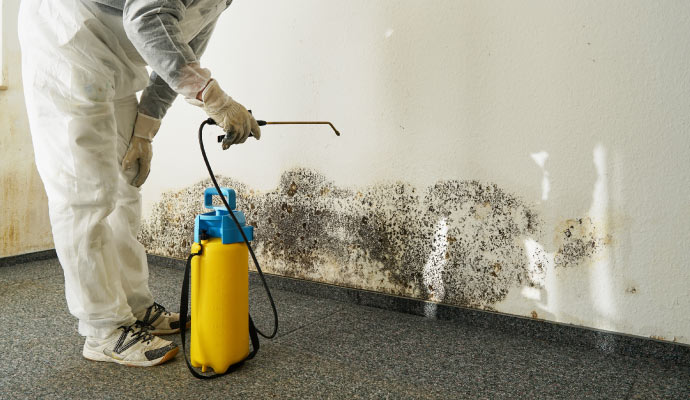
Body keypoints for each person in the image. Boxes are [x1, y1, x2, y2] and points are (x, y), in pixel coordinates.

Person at [18, 0, 260, 367]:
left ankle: (135, 305)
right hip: (67, 44)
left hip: (113, 59)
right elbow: (147, 17)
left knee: (125, 184)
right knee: (85, 196)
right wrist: (214, 98)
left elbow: (181, 51)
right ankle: (103, 328)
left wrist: (145, 129)